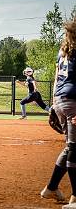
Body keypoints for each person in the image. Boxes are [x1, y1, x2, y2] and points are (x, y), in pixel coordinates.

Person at [41, 20, 76, 204]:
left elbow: (57, 79)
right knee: (75, 149)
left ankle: (51, 188)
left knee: (71, 146)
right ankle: (75, 198)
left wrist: (54, 105)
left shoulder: (62, 51)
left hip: (60, 100)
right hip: (73, 101)